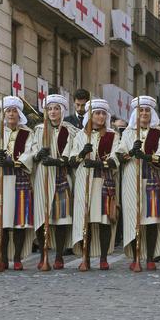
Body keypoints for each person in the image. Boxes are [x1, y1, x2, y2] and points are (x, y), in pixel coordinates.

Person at [0, 96, 35, 271]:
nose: (11, 114)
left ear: (19, 113)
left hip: (19, 177)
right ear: (3, 114)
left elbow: (30, 152)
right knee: (2, 222)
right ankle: (2, 257)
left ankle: (17, 257)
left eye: (14, 111)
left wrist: (15, 162)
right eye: (8, 111)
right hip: (0, 179)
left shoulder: (28, 133)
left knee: (19, 221)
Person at [117, 96, 160, 271]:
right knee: (133, 218)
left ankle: (151, 256)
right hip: (132, 179)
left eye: (147, 110)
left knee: (151, 219)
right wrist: (132, 151)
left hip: (152, 179)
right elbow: (119, 155)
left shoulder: (159, 132)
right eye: (141, 110)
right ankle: (136, 255)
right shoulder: (128, 133)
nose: (144, 113)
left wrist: (146, 156)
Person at [69, 99, 120, 270]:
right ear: (91, 115)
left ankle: (104, 257)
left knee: (104, 220)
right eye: (97, 113)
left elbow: (115, 157)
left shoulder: (113, 135)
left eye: (103, 113)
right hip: (85, 180)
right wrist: (83, 152)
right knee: (87, 220)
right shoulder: (80, 135)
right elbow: (72, 159)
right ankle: (86, 257)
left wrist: (100, 164)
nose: (100, 116)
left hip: (104, 180)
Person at [32, 94, 77, 270]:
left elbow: (70, 150)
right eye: (49, 109)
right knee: (41, 217)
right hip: (43, 175)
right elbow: (33, 149)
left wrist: (59, 161)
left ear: (62, 111)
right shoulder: (38, 129)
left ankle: (59, 255)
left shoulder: (70, 130)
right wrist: (38, 154)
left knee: (61, 218)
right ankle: (43, 255)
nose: (52, 112)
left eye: (56, 108)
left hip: (61, 175)